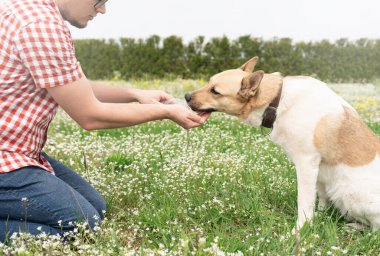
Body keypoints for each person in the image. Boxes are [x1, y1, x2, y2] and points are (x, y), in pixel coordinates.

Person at [0, 0, 210, 242]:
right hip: (7, 158)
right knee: (82, 226)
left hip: (21, 152)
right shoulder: (41, 26)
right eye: (99, 1)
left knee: (95, 206)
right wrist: (167, 113)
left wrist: (134, 94)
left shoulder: (24, 9)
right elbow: (90, 116)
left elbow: (71, 85)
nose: (102, 9)